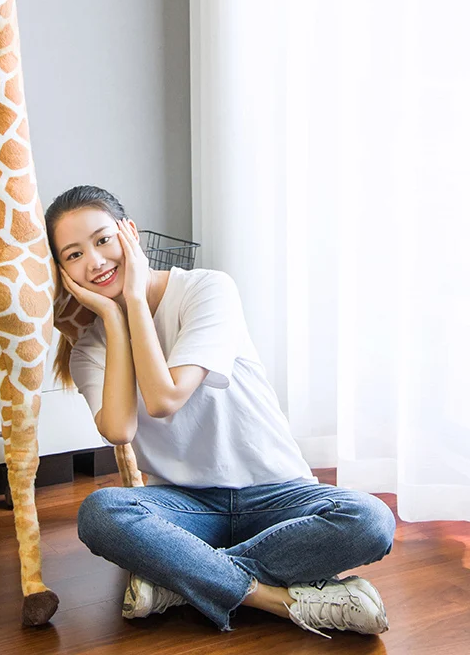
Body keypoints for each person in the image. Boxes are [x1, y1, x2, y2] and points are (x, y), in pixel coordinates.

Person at [44, 185, 396, 639]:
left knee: (370, 520)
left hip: (275, 493)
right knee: (101, 513)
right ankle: (276, 599)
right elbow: (119, 429)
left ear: (129, 233)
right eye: (74, 255)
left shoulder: (207, 289)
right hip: (188, 507)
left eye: (103, 240)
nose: (94, 261)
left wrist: (134, 300)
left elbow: (166, 397)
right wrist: (114, 319)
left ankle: (183, 580)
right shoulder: (89, 351)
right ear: (61, 271)